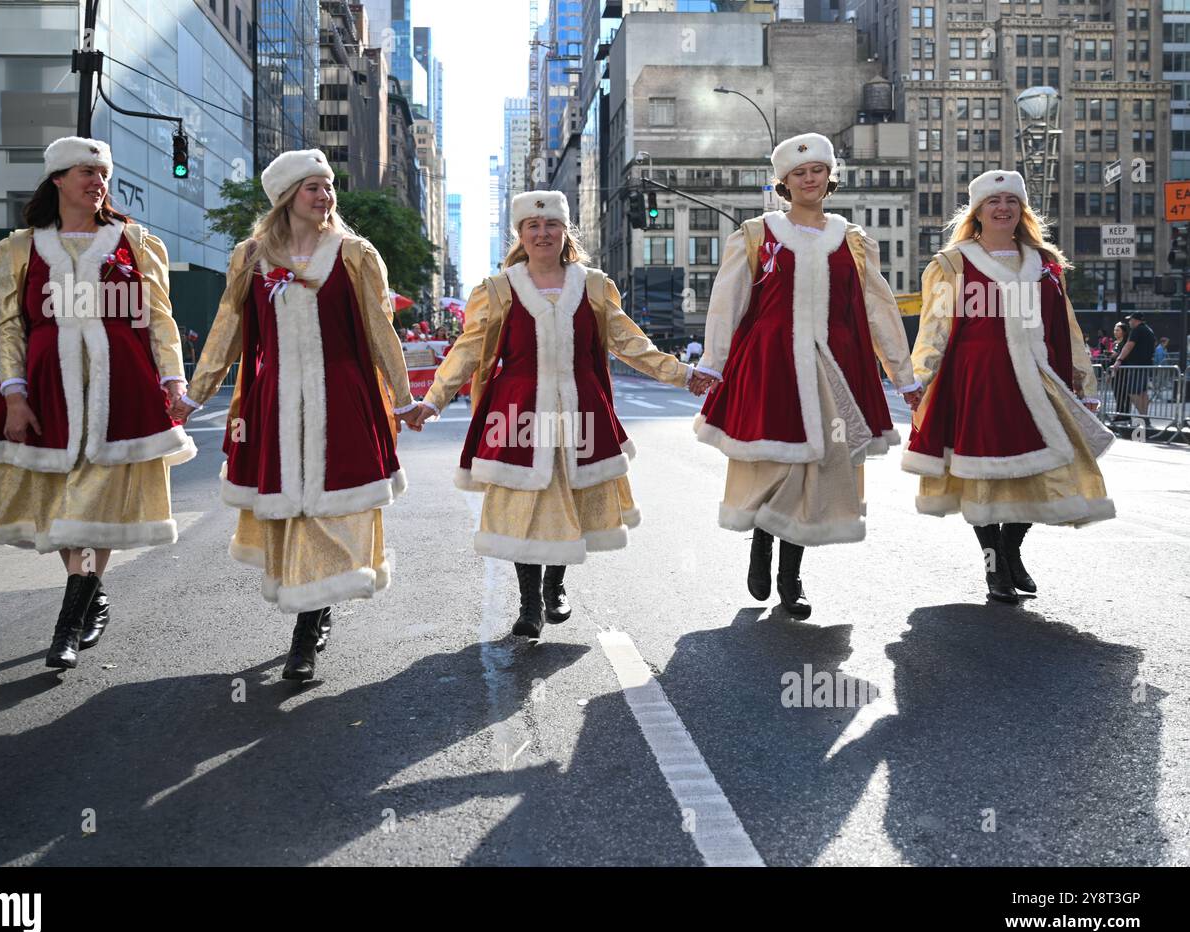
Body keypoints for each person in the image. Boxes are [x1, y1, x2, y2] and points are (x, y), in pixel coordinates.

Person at [408, 190, 711, 639]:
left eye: (551, 224)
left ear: (565, 230)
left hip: (580, 409)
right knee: (522, 503)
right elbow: (468, 350)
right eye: (533, 225)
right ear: (520, 234)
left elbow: (630, 343)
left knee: (566, 497)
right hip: (517, 412)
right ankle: (530, 601)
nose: (543, 233)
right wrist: (433, 399)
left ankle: (556, 585)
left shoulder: (593, 285)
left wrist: (684, 374)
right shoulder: (497, 290)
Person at [172, 148, 420, 681]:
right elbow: (228, 330)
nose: (325, 196)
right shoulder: (252, 256)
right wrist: (194, 395)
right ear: (287, 196)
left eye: (328, 187)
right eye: (313, 187)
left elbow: (381, 330)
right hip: (277, 400)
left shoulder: (355, 254)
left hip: (343, 396)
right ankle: (315, 608)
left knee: (332, 505)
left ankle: (308, 628)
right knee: (295, 509)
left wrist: (402, 398)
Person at [0, 136, 195, 669]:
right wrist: (14, 395)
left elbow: (158, 319)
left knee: (93, 505)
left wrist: (174, 381)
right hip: (49, 388)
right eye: (85, 172)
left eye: (102, 173)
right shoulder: (19, 248)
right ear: (58, 179)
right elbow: (10, 327)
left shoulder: (135, 242)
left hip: (122, 389)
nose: (97, 181)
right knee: (68, 505)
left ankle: (67, 626)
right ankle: (91, 593)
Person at [694, 133, 919, 620]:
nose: (809, 179)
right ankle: (761, 543)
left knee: (816, 468)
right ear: (784, 182)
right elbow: (727, 300)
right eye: (799, 173)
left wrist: (905, 376)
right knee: (776, 462)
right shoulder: (756, 234)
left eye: (817, 170)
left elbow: (879, 310)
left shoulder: (854, 241)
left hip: (836, 364)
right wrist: (713, 362)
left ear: (829, 177)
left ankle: (790, 579)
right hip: (771, 361)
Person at [903, 170, 1115, 604]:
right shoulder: (952, 264)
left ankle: (1012, 546)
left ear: (1022, 210)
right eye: (993, 201)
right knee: (981, 474)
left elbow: (1067, 327)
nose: (1003, 208)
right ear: (977, 212)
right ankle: (994, 565)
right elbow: (935, 326)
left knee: (1051, 464)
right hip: (977, 379)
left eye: (1011, 201)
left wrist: (1082, 378)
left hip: (1039, 378)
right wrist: (920, 377)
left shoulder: (1046, 264)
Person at [1112, 313, 1156, 430]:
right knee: (1142, 393)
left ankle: (1144, 418)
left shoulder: (1137, 331)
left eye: (1130, 320)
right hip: (1146, 365)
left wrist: (1119, 360)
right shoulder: (1149, 330)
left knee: (1132, 392)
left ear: (1136, 320)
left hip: (1136, 365)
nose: (1129, 322)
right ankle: (1145, 418)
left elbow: (1129, 345)